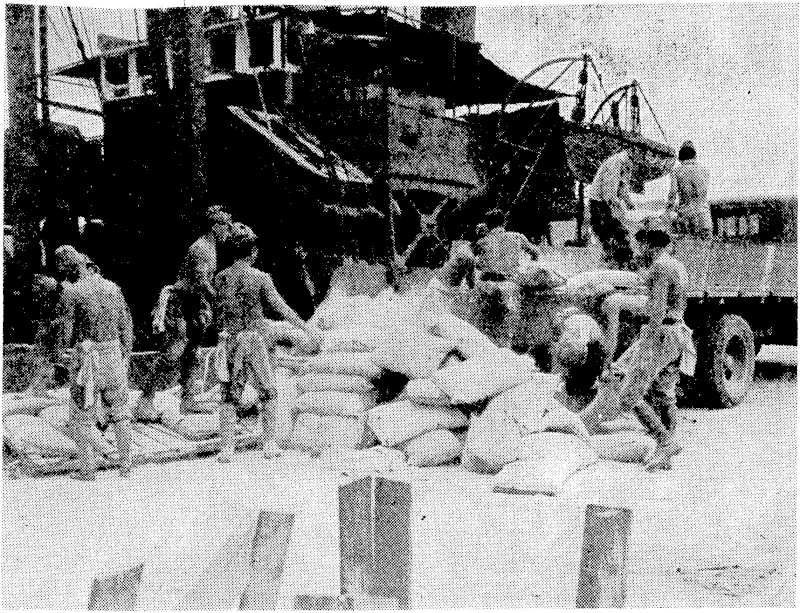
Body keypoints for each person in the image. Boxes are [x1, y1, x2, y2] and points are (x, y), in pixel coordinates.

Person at [212, 223, 322, 463]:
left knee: (229, 395)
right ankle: (269, 443)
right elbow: (282, 308)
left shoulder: (220, 278)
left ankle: (227, 448)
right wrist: (307, 328)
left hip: (231, 339)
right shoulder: (260, 277)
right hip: (256, 340)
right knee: (268, 392)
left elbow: (219, 316)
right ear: (253, 252)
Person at [608, 218, 696, 470]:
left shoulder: (660, 266)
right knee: (664, 393)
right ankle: (665, 454)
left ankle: (665, 441)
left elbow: (657, 309)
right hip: (677, 332)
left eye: (640, 244)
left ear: (648, 243)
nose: (638, 249)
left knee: (627, 394)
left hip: (661, 334)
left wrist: (647, 343)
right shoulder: (677, 265)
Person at [138, 206, 233, 417]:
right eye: (226, 226)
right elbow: (201, 281)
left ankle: (188, 400)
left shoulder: (211, 247)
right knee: (172, 353)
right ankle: (144, 400)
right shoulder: (201, 248)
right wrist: (220, 299)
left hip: (194, 306)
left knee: (193, 353)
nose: (229, 230)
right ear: (215, 226)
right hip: (180, 305)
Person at [53, 245, 134, 480]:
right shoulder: (113, 287)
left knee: (81, 416)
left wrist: (61, 353)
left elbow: (66, 333)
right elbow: (127, 326)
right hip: (113, 353)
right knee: (120, 412)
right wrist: (124, 355)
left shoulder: (72, 292)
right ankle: (126, 465)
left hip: (87, 357)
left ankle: (87, 470)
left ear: (68, 269)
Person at [473, 209, 540, 347]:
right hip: (509, 284)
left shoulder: (481, 242)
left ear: (487, 225)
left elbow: (473, 262)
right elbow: (535, 253)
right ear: (504, 222)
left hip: (486, 284)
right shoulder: (517, 237)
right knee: (509, 324)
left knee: (483, 326)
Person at [587, 149, 637, 269]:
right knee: (612, 236)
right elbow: (608, 193)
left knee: (618, 236)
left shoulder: (627, 164)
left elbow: (623, 187)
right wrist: (616, 208)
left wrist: (629, 203)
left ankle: (617, 263)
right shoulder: (616, 162)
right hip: (599, 204)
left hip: (605, 204)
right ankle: (612, 265)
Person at [666, 140, 712, 239]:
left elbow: (673, 192)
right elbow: (703, 192)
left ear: (680, 157)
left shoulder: (676, 171)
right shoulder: (705, 171)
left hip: (685, 214)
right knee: (705, 247)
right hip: (704, 215)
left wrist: (668, 211)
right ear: (695, 155)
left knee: (686, 247)